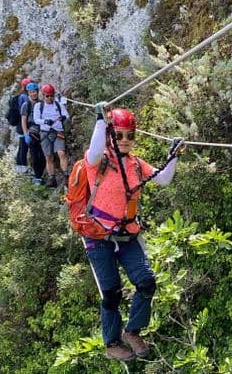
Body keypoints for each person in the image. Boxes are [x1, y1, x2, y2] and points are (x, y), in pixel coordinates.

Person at [84, 103, 183, 361]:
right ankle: (112, 343)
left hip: (127, 235)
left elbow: (162, 179)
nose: (125, 140)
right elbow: (93, 153)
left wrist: (174, 155)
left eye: (130, 135)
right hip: (99, 237)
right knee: (112, 293)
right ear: (109, 135)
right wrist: (100, 122)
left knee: (147, 282)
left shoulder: (136, 164)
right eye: (118, 135)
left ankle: (133, 331)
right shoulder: (98, 162)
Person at [34, 84, 70, 187]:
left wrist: (63, 117)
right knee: (49, 157)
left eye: (51, 96)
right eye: (47, 96)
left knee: (61, 153)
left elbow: (66, 114)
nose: (49, 98)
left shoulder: (58, 105)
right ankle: (52, 179)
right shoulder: (38, 106)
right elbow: (36, 120)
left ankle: (66, 176)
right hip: (45, 133)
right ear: (43, 96)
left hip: (58, 131)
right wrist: (45, 121)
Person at [20, 83, 46, 185]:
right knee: (35, 156)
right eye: (31, 92)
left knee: (44, 156)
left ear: (37, 92)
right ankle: (37, 177)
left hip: (43, 132)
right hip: (32, 132)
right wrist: (26, 133)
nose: (33, 94)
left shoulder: (42, 103)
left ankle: (40, 175)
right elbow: (23, 120)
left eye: (34, 92)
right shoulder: (26, 105)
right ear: (28, 93)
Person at [13, 78, 34, 173]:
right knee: (23, 146)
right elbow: (25, 111)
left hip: (20, 124)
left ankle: (20, 164)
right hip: (23, 124)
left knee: (22, 145)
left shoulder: (22, 96)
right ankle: (22, 165)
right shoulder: (24, 97)